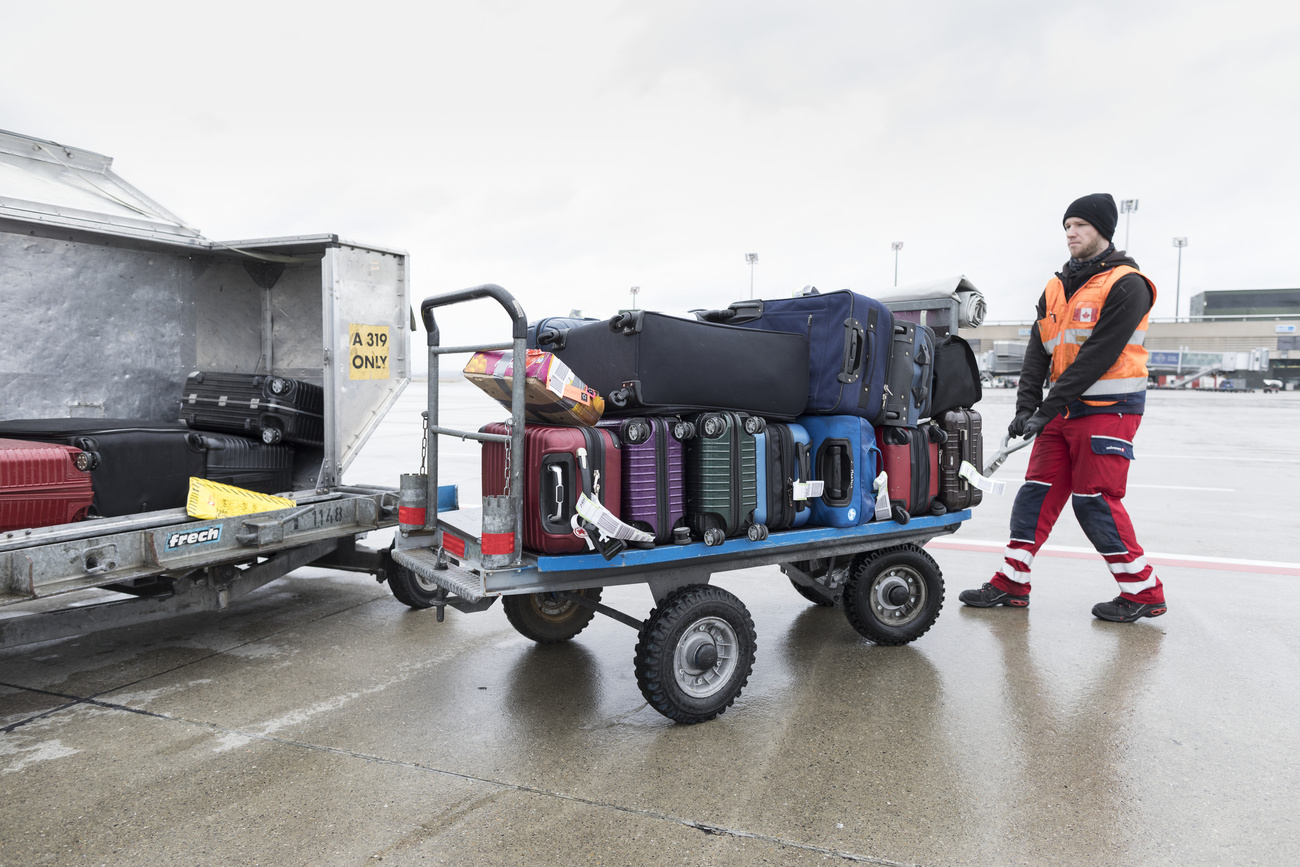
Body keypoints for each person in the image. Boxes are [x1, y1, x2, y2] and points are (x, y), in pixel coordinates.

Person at [960, 193, 1168, 622]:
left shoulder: (1127, 284)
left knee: (1095, 500)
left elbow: (1098, 355)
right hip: (1062, 410)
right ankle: (1012, 583)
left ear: (1103, 230)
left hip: (1109, 408)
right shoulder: (1055, 287)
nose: (1071, 233)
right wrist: (1026, 406)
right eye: (1067, 226)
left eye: (1080, 225)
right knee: (1035, 495)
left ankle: (1143, 592)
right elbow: (1038, 349)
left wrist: (1047, 407)